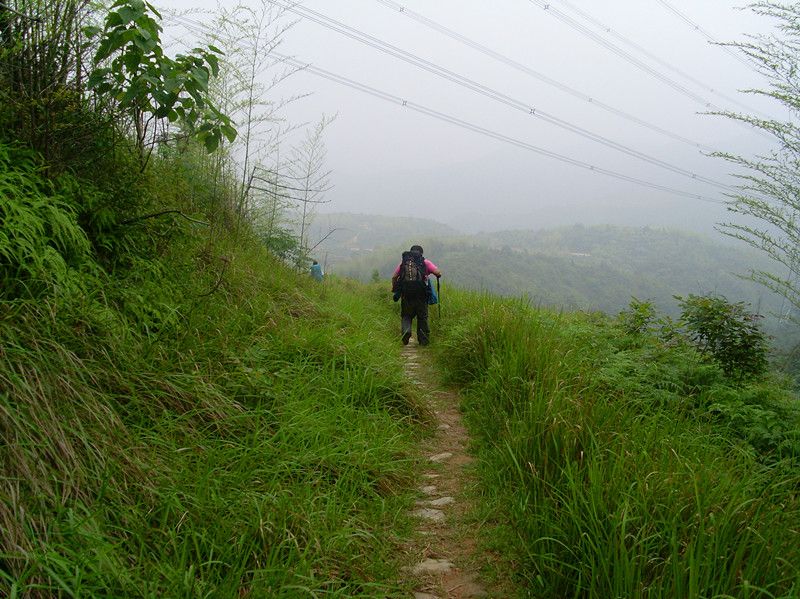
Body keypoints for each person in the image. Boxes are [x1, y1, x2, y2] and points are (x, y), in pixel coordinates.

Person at [391, 244, 442, 346]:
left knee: (406, 316)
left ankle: (406, 332)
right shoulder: (425, 262)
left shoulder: (404, 263)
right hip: (421, 297)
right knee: (422, 318)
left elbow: (394, 277)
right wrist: (433, 274)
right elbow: (438, 272)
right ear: (421, 253)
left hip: (406, 296)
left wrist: (395, 288)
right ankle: (423, 342)